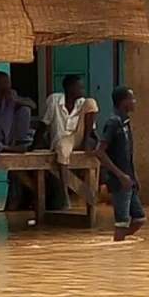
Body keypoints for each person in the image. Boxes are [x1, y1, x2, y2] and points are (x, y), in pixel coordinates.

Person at [36, 75, 99, 209]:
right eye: (79, 87)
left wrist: (92, 141)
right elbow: (44, 124)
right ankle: (65, 195)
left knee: (91, 102)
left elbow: (91, 128)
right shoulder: (54, 100)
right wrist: (35, 145)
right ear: (70, 88)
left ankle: (85, 143)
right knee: (62, 150)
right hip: (63, 140)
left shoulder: (83, 103)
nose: (82, 90)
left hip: (81, 136)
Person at [96, 86, 145, 242]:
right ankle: (117, 250)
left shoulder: (125, 122)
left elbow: (128, 155)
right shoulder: (113, 122)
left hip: (128, 180)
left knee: (139, 219)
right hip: (119, 181)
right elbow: (100, 151)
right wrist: (120, 175)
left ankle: (118, 243)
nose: (134, 102)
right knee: (122, 223)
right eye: (132, 99)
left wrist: (133, 177)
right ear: (124, 102)